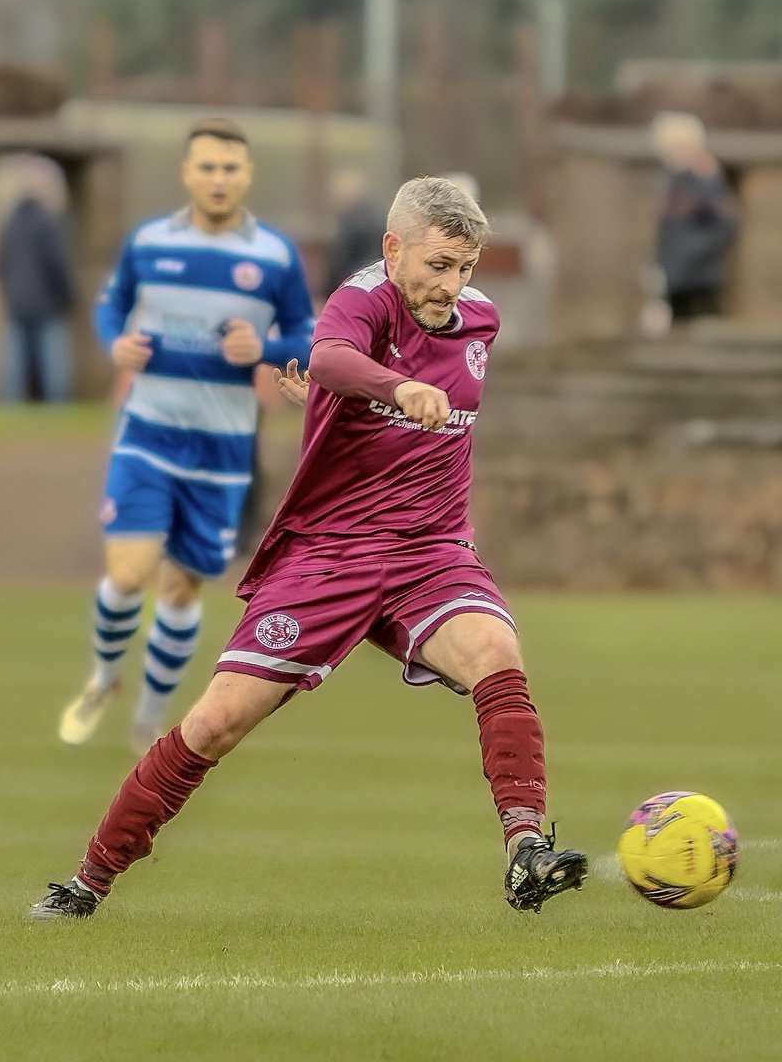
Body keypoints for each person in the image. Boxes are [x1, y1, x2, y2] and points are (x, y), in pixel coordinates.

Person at [32, 175, 587, 921]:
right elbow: (330, 358)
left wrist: (340, 405)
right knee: (216, 722)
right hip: (331, 555)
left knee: (496, 652)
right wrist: (391, 388)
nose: (453, 285)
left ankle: (526, 849)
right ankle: (87, 880)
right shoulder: (363, 298)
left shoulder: (479, 321)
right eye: (437, 265)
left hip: (431, 550)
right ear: (393, 248)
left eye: (465, 267)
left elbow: (341, 390)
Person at [57, 117, 315, 755]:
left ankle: (148, 718)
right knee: (129, 572)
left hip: (223, 450)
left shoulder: (275, 256)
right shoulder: (147, 242)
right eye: (207, 166)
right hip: (147, 434)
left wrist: (267, 347)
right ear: (186, 172)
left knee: (181, 587)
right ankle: (105, 678)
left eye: (230, 168)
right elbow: (110, 302)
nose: (218, 179)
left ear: (247, 175)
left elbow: (310, 331)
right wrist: (115, 341)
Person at [0, 159, 76, 402]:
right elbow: (56, 262)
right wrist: (67, 295)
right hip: (46, 302)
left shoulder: (9, 223)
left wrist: (10, 290)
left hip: (16, 300)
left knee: (14, 360)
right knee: (52, 358)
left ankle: (10, 404)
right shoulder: (47, 221)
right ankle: (57, 403)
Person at [650, 112, 740, 323]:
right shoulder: (672, 179)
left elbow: (726, 221)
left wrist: (697, 254)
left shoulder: (706, 179)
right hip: (676, 275)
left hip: (701, 275)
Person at [322, 166, 387, 297]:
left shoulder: (350, 225)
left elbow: (339, 263)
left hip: (354, 287)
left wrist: (327, 293)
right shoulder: (378, 220)